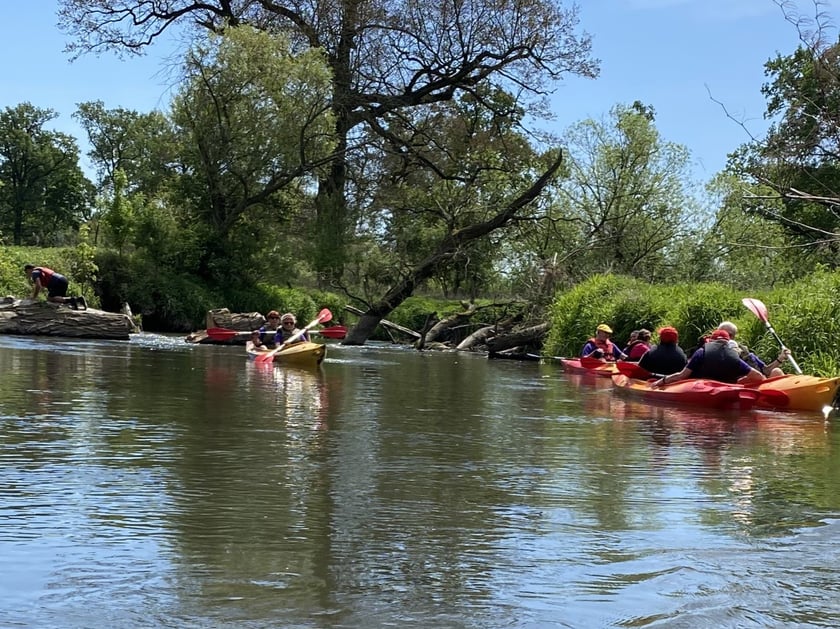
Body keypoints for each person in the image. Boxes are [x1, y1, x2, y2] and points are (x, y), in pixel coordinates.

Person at [652, 328, 765, 388]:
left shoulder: (701, 352)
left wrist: (661, 381)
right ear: (728, 342)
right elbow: (758, 376)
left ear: (711, 341)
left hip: (702, 388)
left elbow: (682, 375)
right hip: (727, 389)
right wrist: (738, 383)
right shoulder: (734, 356)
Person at [717, 321, 790, 377]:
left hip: (758, 384)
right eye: (723, 333)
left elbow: (766, 371)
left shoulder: (747, 354)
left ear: (734, 337)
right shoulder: (714, 354)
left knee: (776, 371)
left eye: (730, 335)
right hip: (740, 387)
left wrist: (780, 358)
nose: (726, 336)